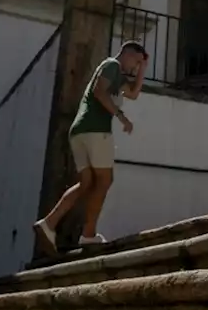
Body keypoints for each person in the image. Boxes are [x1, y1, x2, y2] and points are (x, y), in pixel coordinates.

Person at [34, 41, 148, 252]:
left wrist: (143, 69)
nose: (135, 67)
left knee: (86, 182)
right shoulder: (112, 65)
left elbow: (133, 94)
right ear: (128, 54)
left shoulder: (117, 75)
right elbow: (99, 91)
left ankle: (49, 223)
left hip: (79, 132)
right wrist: (121, 117)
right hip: (96, 129)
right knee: (105, 180)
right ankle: (88, 235)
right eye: (136, 62)